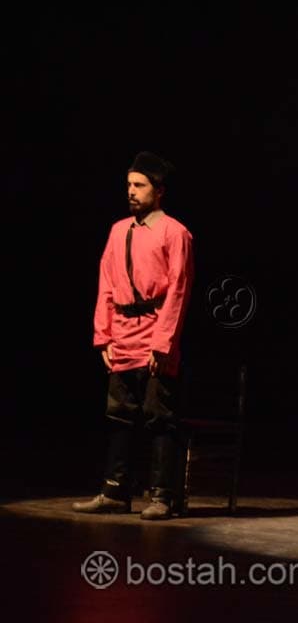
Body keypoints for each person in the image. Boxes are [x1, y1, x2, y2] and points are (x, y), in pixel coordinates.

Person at [72, 151, 194, 521]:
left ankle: (163, 496)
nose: (131, 191)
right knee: (119, 415)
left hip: (156, 333)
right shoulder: (118, 230)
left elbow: (178, 290)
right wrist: (103, 337)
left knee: (159, 416)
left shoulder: (175, 232)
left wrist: (163, 342)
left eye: (139, 185)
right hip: (122, 335)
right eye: (128, 184)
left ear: (159, 191)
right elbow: (106, 283)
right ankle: (115, 492)